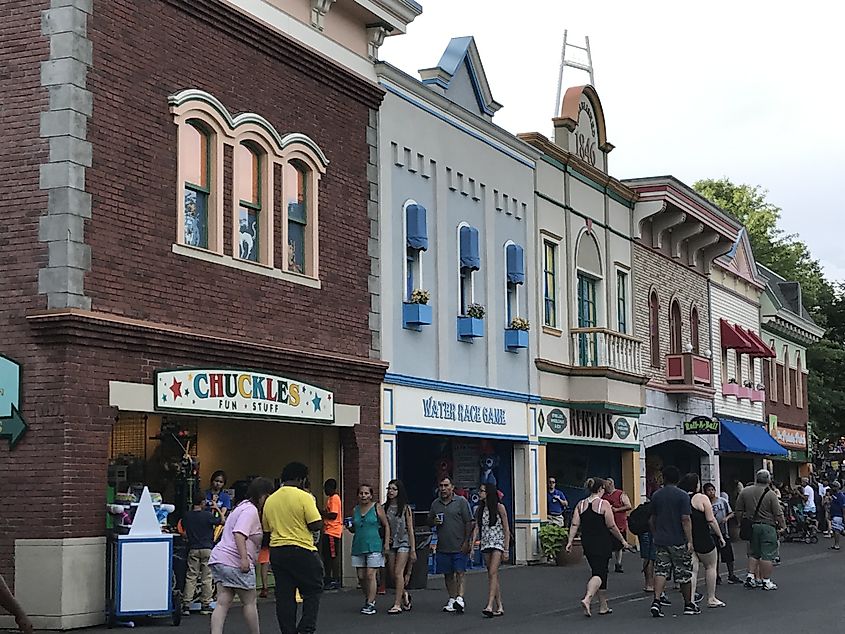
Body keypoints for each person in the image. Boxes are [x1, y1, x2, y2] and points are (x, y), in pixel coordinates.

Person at [263, 462, 324, 634]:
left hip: (277, 551)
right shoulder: (304, 497)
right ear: (300, 478)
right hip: (302, 549)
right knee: (313, 589)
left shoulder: (270, 500)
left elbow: (266, 530)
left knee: (284, 596)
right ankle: (306, 629)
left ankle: (288, 631)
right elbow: (315, 524)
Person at [209, 477, 275, 634]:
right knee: (249, 602)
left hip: (220, 559)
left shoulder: (241, 507)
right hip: (235, 561)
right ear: (264, 495)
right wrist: (244, 559)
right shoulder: (250, 511)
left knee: (222, 602)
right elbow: (239, 533)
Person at [565, 478, 627, 617]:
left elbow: (574, 524)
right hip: (602, 542)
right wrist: (622, 540)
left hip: (587, 542)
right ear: (600, 489)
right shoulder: (603, 504)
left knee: (597, 570)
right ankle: (588, 598)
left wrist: (570, 541)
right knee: (599, 574)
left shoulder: (581, 504)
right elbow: (611, 525)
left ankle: (603, 606)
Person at [648, 465, 697, 618]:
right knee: (684, 573)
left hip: (661, 539)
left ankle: (657, 601)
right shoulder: (683, 496)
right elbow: (685, 519)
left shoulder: (656, 495)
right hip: (678, 539)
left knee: (661, 570)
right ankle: (688, 604)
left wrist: (656, 534)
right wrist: (690, 540)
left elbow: (652, 519)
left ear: (664, 478)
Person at [427, 476, 474, 614]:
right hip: (443, 544)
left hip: (459, 543)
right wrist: (434, 521)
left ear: (452, 487)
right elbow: (429, 521)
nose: (443, 489)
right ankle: (452, 598)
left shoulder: (461, 502)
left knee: (460, 571)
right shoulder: (436, 504)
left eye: (446, 485)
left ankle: (460, 598)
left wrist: (467, 541)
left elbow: (469, 522)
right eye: (441, 486)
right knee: (447, 574)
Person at [679, 474, 725, 608]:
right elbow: (711, 519)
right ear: (696, 484)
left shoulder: (682, 498)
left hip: (687, 538)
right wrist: (720, 536)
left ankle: (691, 599)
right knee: (710, 566)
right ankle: (711, 598)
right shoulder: (701, 498)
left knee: (692, 570)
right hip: (703, 537)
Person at [735, 469, 786, 591]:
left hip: (752, 526)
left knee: (753, 553)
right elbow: (778, 513)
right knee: (767, 555)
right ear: (768, 480)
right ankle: (766, 581)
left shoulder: (745, 491)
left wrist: (740, 522)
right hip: (768, 526)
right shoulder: (771, 494)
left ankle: (750, 577)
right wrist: (783, 526)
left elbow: (738, 510)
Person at [349, 483, 390, 615]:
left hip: (374, 545)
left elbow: (386, 525)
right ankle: (368, 598)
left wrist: (386, 544)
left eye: (366, 493)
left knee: (370, 574)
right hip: (358, 545)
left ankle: (371, 603)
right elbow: (354, 528)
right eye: (361, 493)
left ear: (371, 495)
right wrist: (349, 527)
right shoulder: (355, 510)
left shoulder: (377, 507)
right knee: (361, 576)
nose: (363, 496)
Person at [472, 482, 510, 618]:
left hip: (498, 542)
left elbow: (506, 528)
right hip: (486, 542)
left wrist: (506, 549)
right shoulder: (480, 509)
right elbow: (477, 527)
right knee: (492, 574)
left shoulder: (499, 507)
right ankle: (499, 605)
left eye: (482, 491)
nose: (479, 493)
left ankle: (489, 605)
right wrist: (472, 544)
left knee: (493, 571)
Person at [181, 495, 222, 615]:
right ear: (203, 503)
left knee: (191, 576)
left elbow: (183, 529)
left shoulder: (187, 516)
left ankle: (186, 604)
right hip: (207, 548)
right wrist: (216, 508)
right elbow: (222, 521)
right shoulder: (207, 515)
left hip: (193, 548)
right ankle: (205, 604)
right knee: (207, 577)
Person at [383, 479, 416, 614]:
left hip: (403, 542)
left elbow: (410, 529)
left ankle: (397, 604)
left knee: (398, 572)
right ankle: (404, 595)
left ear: (399, 491)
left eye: (394, 489)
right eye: (389, 489)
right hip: (391, 543)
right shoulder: (384, 508)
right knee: (393, 574)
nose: (391, 491)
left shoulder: (405, 508)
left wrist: (413, 549)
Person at [704, 485, 741, 584]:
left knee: (728, 555)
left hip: (724, 531)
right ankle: (716, 576)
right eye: (708, 490)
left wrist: (726, 518)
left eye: (712, 490)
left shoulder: (722, 501)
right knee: (714, 557)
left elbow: (731, 513)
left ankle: (731, 575)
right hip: (711, 533)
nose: (711, 492)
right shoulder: (706, 503)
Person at [602, 477, 632, 573]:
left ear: (611, 484)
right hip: (607, 523)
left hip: (619, 523)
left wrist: (616, 509)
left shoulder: (620, 494)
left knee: (618, 546)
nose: (604, 487)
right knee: (606, 545)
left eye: (606, 485)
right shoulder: (603, 496)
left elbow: (628, 506)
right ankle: (605, 565)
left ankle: (618, 563)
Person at [321, 479, 343, 591]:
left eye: (326, 488)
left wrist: (321, 512)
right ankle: (329, 577)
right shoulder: (330, 498)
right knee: (327, 556)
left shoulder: (334, 498)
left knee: (332, 556)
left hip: (332, 531)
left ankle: (334, 579)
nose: (325, 490)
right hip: (328, 530)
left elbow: (333, 515)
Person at [827, 481, 845, 550]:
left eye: (834, 486)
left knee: (837, 530)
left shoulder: (841, 496)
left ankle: (837, 545)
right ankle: (835, 544)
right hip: (834, 514)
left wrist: (844, 516)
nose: (832, 488)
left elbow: (843, 508)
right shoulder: (833, 495)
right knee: (835, 530)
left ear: (837, 487)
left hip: (838, 515)